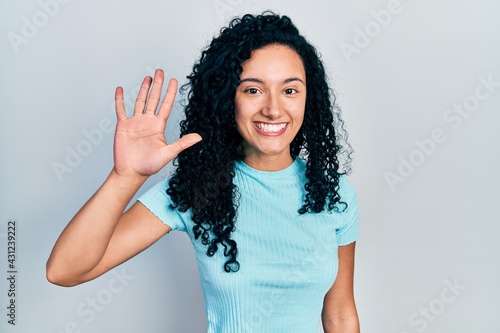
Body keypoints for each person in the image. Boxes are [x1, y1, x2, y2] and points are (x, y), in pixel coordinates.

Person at [46, 12, 360, 332]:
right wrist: (125, 177)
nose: (274, 109)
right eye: (253, 90)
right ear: (228, 99)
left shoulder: (335, 195)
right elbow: (65, 271)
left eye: (290, 90)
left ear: (310, 98)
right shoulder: (197, 189)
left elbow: (340, 312)